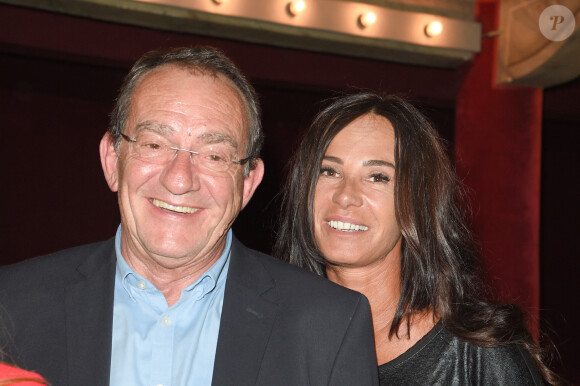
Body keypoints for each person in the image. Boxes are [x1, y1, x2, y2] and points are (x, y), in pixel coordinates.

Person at [0, 47, 379, 386]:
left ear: (248, 183)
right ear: (112, 160)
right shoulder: (12, 306)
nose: (179, 179)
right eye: (154, 144)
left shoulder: (328, 326)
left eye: (214, 155)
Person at [275, 92, 561, 385]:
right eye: (329, 170)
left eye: (378, 177)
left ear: (416, 202)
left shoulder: (479, 357)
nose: (345, 195)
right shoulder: (270, 342)